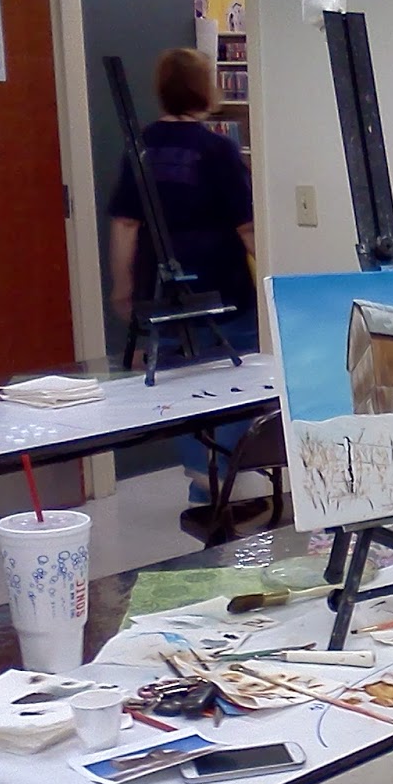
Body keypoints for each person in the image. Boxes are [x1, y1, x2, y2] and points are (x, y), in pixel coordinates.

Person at [106, 47, 257, 501]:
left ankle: (203, 481)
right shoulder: (217, 149)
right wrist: (277, 276)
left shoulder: (141, 147)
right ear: (204, 89)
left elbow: (125, 224)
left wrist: (123, 287)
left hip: (160, 292)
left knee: (178, 385)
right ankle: (224, 482)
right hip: (222, 285)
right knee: (239, 383)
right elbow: (247, 227)